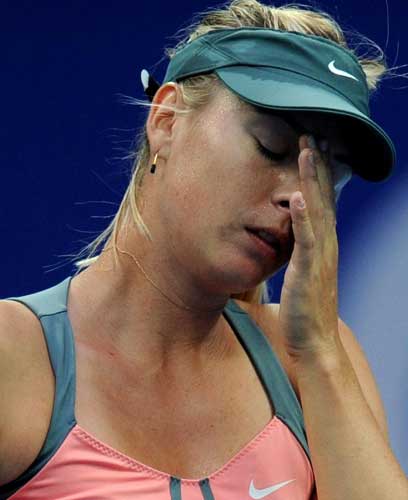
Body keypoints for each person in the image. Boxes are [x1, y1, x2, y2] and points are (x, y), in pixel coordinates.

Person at [0, 1, 407, 499]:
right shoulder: (13, 356)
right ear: (167, 119)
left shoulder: (318, 361)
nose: (296, 195)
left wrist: (318, 351)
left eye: (325, 177)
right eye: (272, 148)